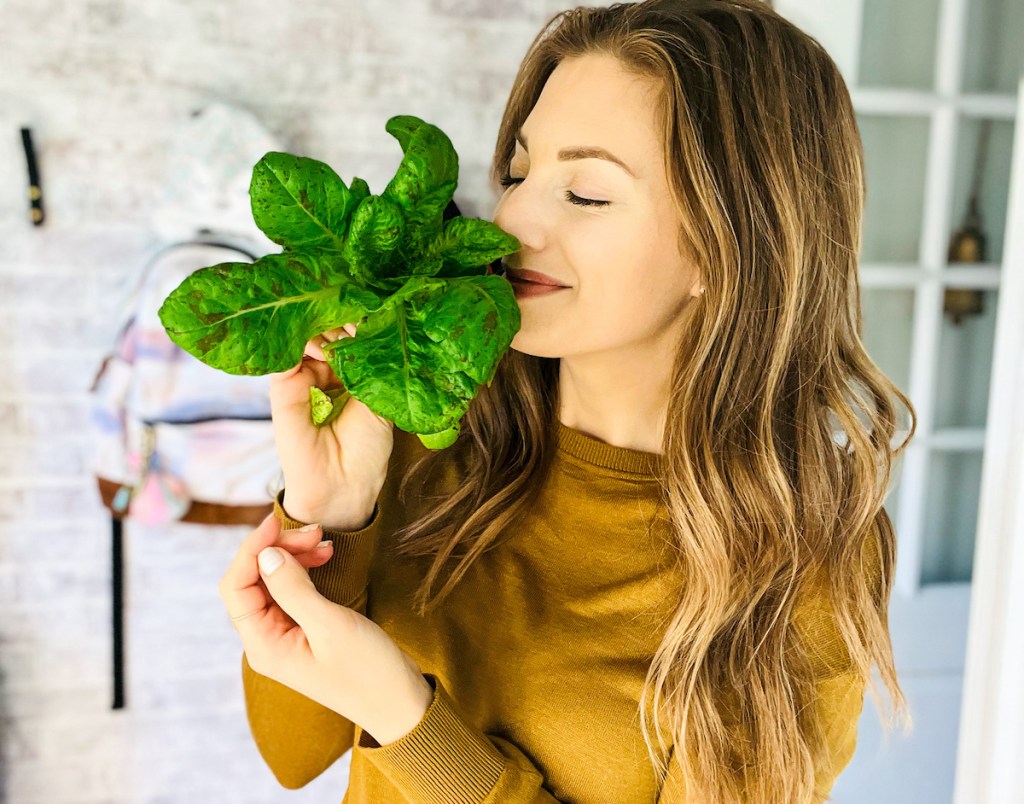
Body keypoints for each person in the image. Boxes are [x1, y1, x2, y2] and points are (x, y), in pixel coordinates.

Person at [218, 1, 917, 801]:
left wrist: (410, 721)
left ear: (728, 247)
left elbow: (383, 726)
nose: (513, 217)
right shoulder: (433, 427)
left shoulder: (809, 559)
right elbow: (292, 753)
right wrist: (328, 516)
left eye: (585, 193)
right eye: (518, 172)